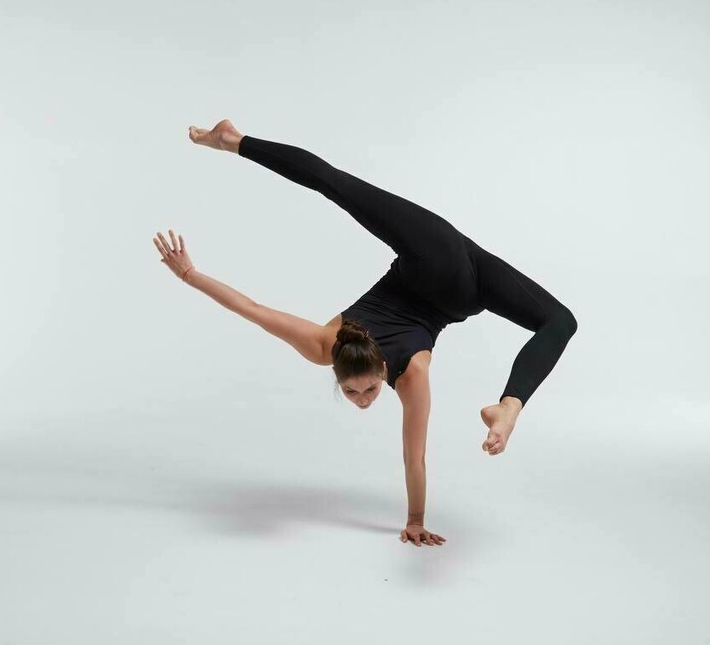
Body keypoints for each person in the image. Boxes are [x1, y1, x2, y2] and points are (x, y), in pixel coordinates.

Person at [153, 118, 578, 548]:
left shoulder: (375, 364)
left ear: (378, 370)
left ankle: (232, 140)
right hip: (465, 279)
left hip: (434, 260)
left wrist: (190, 275)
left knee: (335, 184)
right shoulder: (339, 351)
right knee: (561, 322)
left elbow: (253, 311)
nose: (362, 400)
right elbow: (414, 458)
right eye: (356, 393)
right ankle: (508, 406)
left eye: (367, 390)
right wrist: (414, 521)